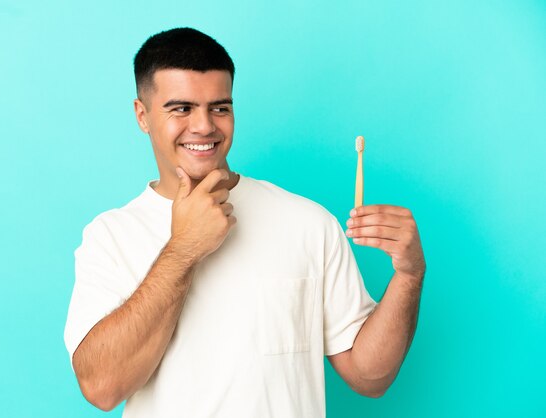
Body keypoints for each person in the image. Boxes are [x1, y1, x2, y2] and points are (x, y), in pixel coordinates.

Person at [64, 27, 426, 417]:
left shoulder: (307, 222)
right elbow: (101, 388)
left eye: (219, 107)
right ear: (143, 115)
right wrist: (184, 248)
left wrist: (409, 276)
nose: (204, 126)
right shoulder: (110, 237)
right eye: (181, 108)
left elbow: (369, 377)